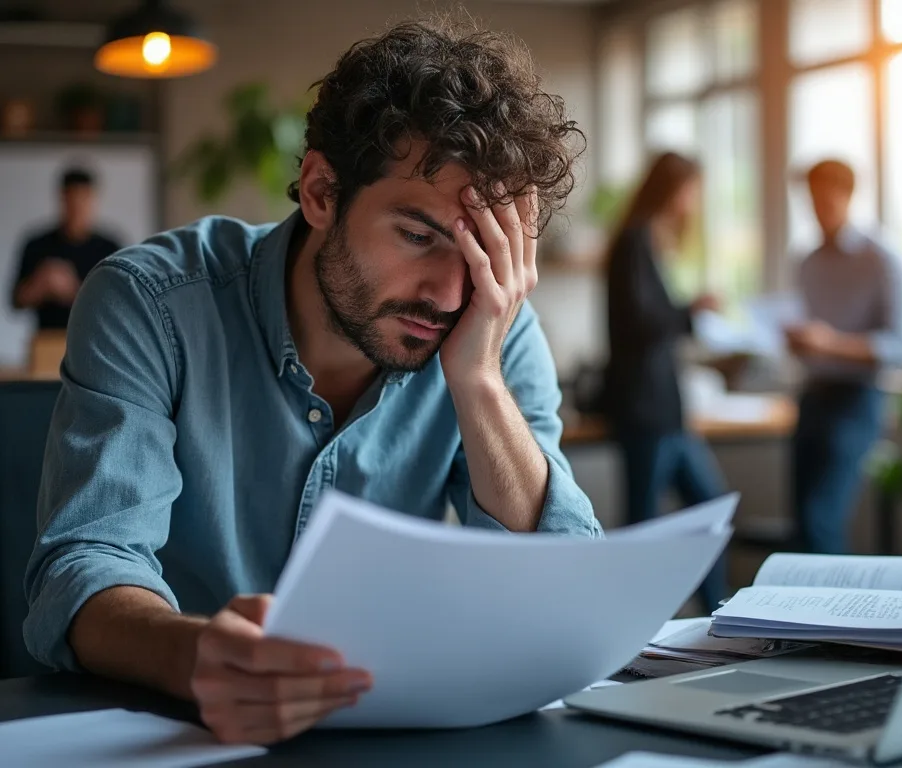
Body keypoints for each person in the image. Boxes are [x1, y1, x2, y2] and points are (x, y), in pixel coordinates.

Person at [24, 20, 601, 745]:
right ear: (322, 191)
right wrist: (198, 655)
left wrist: (479, 381)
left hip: (397, 737)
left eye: (483, 254)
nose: (452, 294)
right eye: (420, 236)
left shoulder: (492, 326)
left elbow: (566, 590)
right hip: (177, 734)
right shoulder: (152, 304)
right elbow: (84, 563)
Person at [602, 152, 729, 613]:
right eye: (691, 190)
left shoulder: (650, 242)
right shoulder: (635, 242)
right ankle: (630, 625)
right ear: (672, 190)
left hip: (664, 410)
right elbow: (639, 323)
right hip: (645, 409)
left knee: (707, 510)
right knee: (646, 526)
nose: (694, 202)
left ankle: (719, 613)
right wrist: (691, 310)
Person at [787, 159, 902, 554]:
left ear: (847, 195)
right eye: (811, 200)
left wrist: (830, 343)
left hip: (857, 400)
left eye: (825, 199)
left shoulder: (883, 259)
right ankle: (792, 614)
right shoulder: (808, 262)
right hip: (812, 397)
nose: (818, 210)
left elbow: (901, 346)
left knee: (820, 519)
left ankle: (834, 612)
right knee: (801, 525)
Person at [11, 167, 121, 330]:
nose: (77, 208)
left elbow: (120, 305)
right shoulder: (36, 244)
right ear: (62, 198)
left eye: (83, 200)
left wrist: (73, 290)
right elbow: (16, 302)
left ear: (93, 200)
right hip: (48, 341)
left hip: (95, 340)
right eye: (72, 200)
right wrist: (40, 284)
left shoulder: (110, 248)